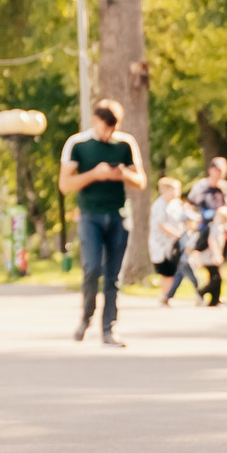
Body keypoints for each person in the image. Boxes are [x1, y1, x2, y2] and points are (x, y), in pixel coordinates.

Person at [59, 99, 146, 346]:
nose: (109, 133)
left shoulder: (125, 143)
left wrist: (122, 173)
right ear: (96, 120)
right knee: (92, 269)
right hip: (90, 216)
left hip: (118, 215)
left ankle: (109, 328)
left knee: (113, 276)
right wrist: (94, 174)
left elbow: (140, 181)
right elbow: (65, 185)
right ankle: (86, 316)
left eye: (113, 128)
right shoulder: (78, 144)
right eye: (105, 127)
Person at [189, 157, 227, 305]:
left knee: (217, 265)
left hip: (222, 227)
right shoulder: (201, 187)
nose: (221, 174)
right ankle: (207, 294)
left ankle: (215, 299)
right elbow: (190, 206)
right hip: (206, 228)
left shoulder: (225, 187)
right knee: (212, 263)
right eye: (219, 170)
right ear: (211, 170)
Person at [152, 177, 202, 306]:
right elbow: (161, 225)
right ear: (166, 190)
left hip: (175, 243)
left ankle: (167, 295)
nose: (178, 193)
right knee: (167, 270)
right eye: (175, 190)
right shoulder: (160, 205)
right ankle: (165, 295)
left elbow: (184, 216)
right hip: (162, 244)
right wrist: (178, 234)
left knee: (176, 270)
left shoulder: (175, 203)